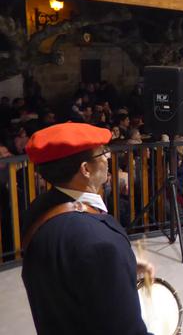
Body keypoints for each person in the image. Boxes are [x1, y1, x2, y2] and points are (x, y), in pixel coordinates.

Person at [21, 122, 152, 335]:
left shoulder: (37, 211)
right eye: (102, 152)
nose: (108, 157)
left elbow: (66, 273)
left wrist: (122, 265)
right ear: (86, 169)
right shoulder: (100, 243)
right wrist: (110, 261)